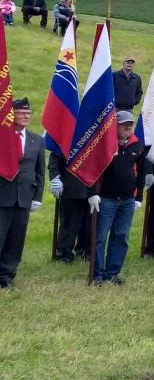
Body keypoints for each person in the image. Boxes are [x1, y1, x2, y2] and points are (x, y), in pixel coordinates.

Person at [93, 112, 148, 285]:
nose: (128, 127)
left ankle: (113, 272)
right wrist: (92, 194)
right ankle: (97, 274)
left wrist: (138, 196)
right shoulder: (105, 145)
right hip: (106, 199)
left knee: (121, 236)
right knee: (100, 237)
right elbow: (93, 171)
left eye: (130, 124)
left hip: (127, 201)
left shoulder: (137, 145)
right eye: (124, 124)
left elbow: (142, 174)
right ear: (114, 126)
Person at [0, 98, 46, 289]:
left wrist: (37, 198)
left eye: (28, 113)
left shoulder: (37, 140)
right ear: (12, 115)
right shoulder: (3, 137)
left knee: (16, 239)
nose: (26, 116)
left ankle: (6, 276)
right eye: (22, 113)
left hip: (24, 198)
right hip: (3, 196)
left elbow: (40, 172)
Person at [48, 144, 92, 263]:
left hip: (93, 183)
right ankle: (64, 252)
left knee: (89, 222)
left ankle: (85, 250)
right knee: (70, 222)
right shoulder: (68, 134)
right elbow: (55, 157)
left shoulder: (96, 132)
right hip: (71, 183)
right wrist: (54, 176)